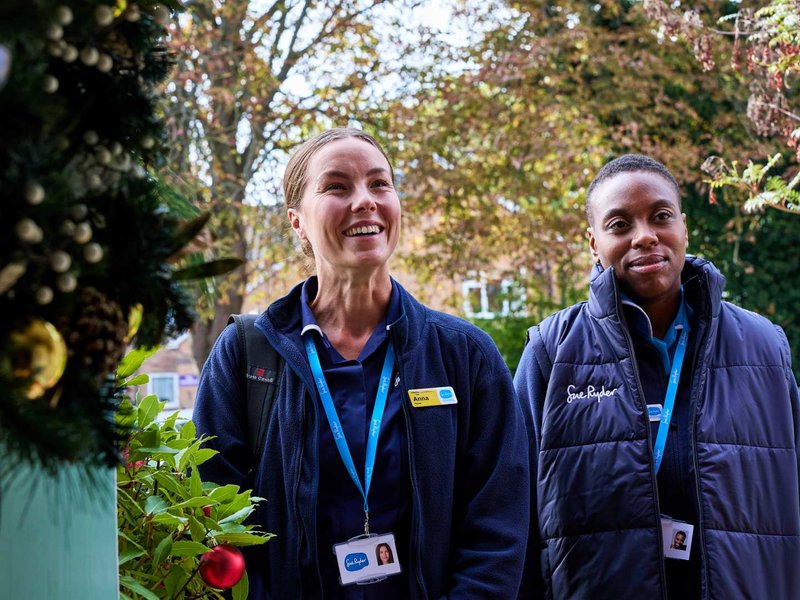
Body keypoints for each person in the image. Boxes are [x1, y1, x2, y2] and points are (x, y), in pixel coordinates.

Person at [194, 127, 529, 599]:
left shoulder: (466, 355)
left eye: (379, 184)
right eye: (336, 186)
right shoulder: (246, 355)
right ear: (297, 221)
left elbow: (498, 525)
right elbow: (213, 522)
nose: (365, 201)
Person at [514, 154, 800, 599]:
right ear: (593, 243)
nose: (645, 236)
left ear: (684, 228)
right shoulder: (552, 352)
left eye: (661, 216)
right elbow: (513, 516)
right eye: (619, 224)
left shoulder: (764, 347)